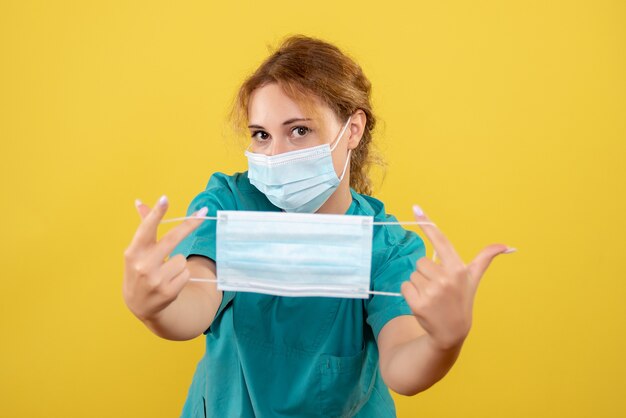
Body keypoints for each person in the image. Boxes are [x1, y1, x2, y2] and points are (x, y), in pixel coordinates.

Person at [122, 34, 515, 417]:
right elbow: (192, 307)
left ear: (353, 130)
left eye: (299, 131)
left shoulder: (386, 246)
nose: (274, 154)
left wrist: (444, 341)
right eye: (261, 135)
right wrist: (155, 306)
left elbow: (402, 367)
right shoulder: (229, 204)